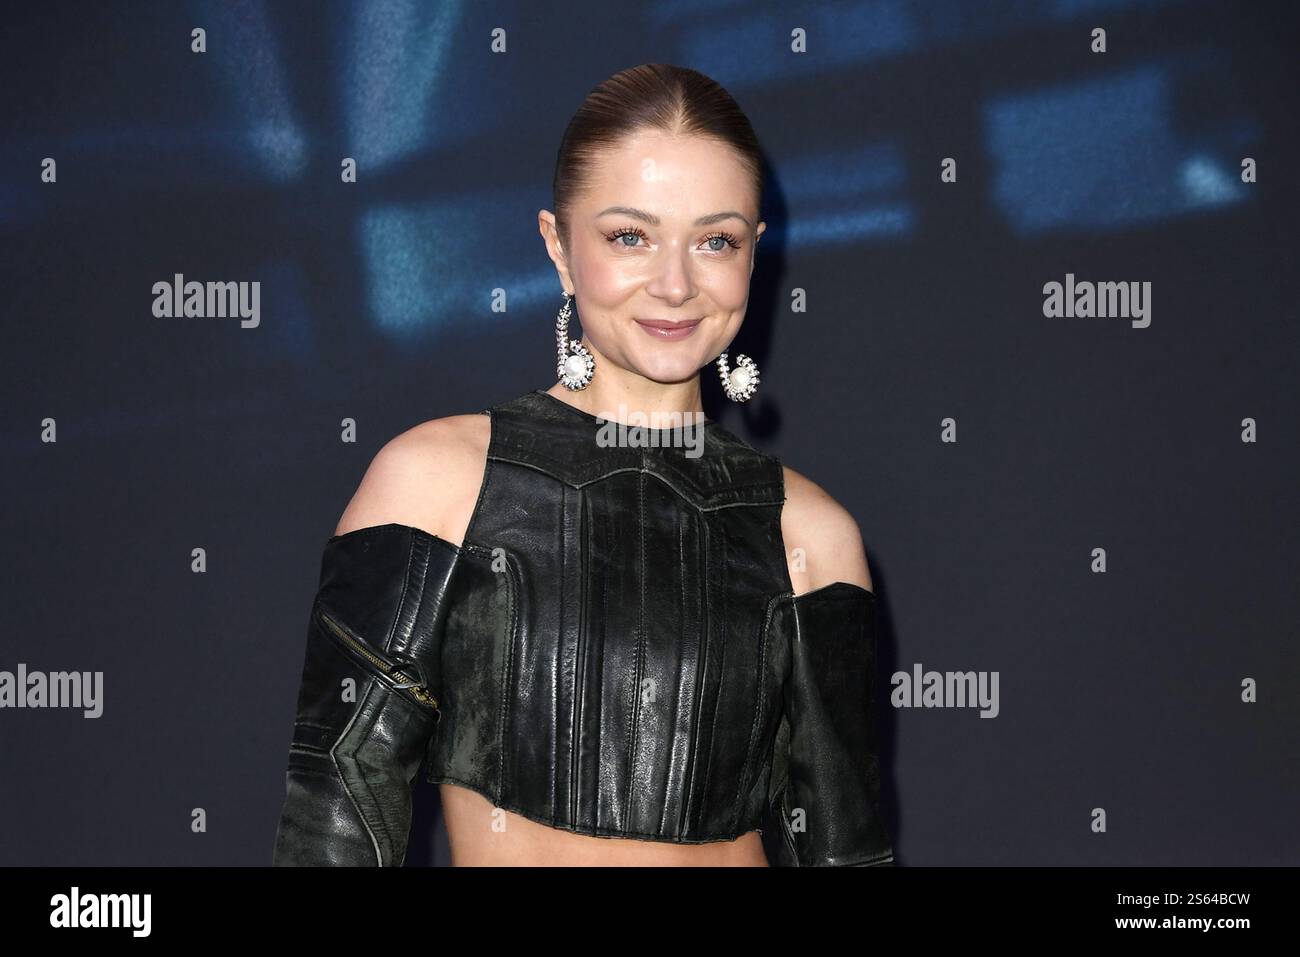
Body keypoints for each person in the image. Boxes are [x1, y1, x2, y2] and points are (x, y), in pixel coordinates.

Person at [271, 63, 894, 867]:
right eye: (630, 236)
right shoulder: (437, 482)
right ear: (558, 247)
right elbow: (335, 818)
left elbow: (846, 851)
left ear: (753, 255)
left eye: (716, 240)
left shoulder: (811, 535)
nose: (675, 283)